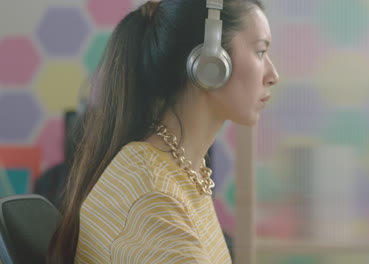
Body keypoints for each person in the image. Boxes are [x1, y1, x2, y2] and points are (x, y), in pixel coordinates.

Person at [48, 0, 279, 263]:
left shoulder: (182, 171)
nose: (273, 75)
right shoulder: (153, 196)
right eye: (260, 52)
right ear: (210, 62)